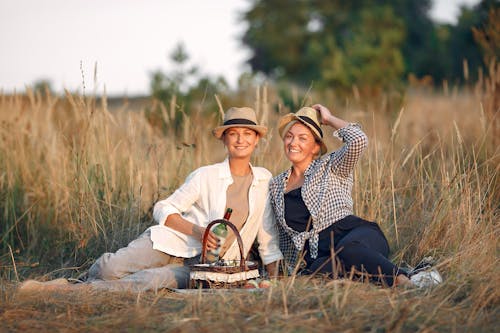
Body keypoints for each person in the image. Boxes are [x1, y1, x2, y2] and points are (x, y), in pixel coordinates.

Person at [19, 106, 283, 292]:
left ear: (257, 140)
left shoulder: (263, 180)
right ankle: (78, 282)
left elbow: (267, 235)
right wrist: (199, 232)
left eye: (248, 133)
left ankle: (67, 292)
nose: (241, 139)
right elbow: (163, 208)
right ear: (224, 139)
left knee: (147, 281)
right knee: (109, 269)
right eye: (233, 133)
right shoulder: (205, 175)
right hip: (171, 243)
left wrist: (274, 282)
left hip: (205, 267)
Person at [269, 104, 441, 288]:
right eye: (289, 136)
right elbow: (275, 232)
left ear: (315, 147)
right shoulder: (276, 185)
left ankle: (405, 283)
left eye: (302, 138)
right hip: (319, 255)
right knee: (317, 271)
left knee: (349, 251)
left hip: (356, 235)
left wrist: (328, 119)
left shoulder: (332, 165)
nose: (293, 142)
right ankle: (413, 273)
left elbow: (358, 140)